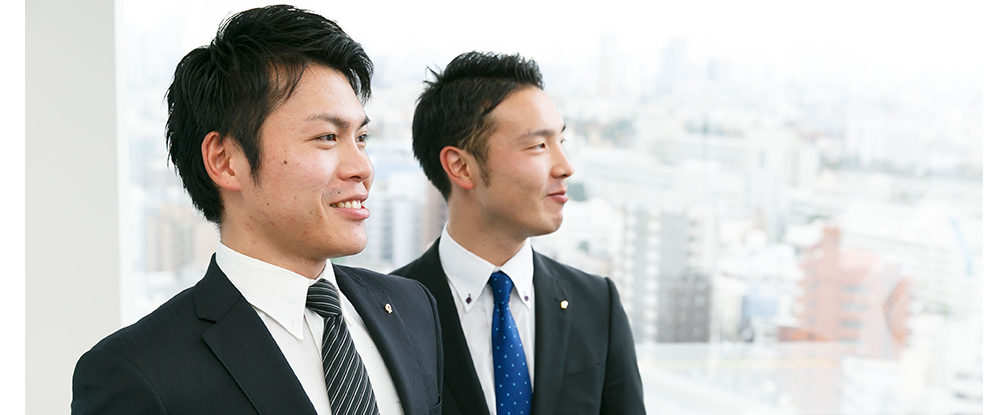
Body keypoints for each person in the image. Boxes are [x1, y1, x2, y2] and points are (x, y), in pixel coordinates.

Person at [71, 6, 442, 415]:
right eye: (326, 137)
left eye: (362, 137)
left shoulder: (412, 308)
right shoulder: (139, 372)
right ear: (226, 161)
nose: (363, 168)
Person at [392, 51, 644, 415]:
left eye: (561, 142)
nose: (565, 167)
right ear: (460, 166)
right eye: (539, 145)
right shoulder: (388, 313)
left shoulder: (596, 304)